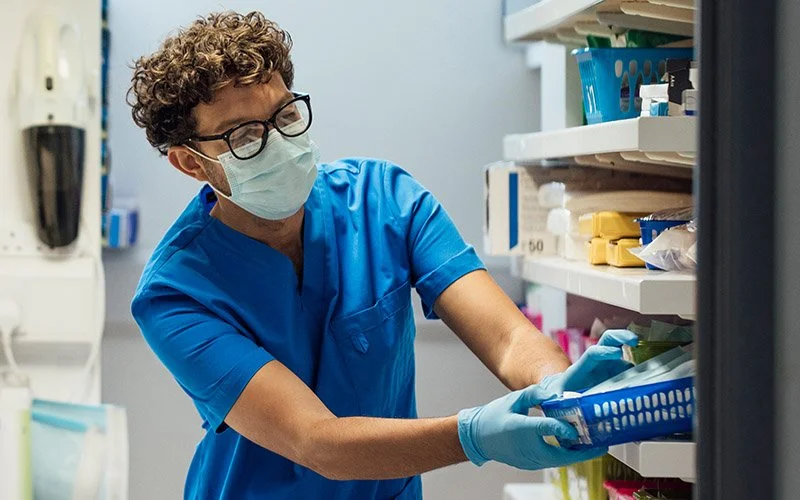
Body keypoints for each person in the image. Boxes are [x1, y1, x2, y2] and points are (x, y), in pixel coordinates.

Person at [128, 11, 637, 499]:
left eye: (285, 115)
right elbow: (317, 440)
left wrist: (559, 389)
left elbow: (507, 338)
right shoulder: (175, 294)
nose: (279, 144)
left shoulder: (385, 200)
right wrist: (475, 435)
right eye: (243, 136)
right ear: (190, 163)